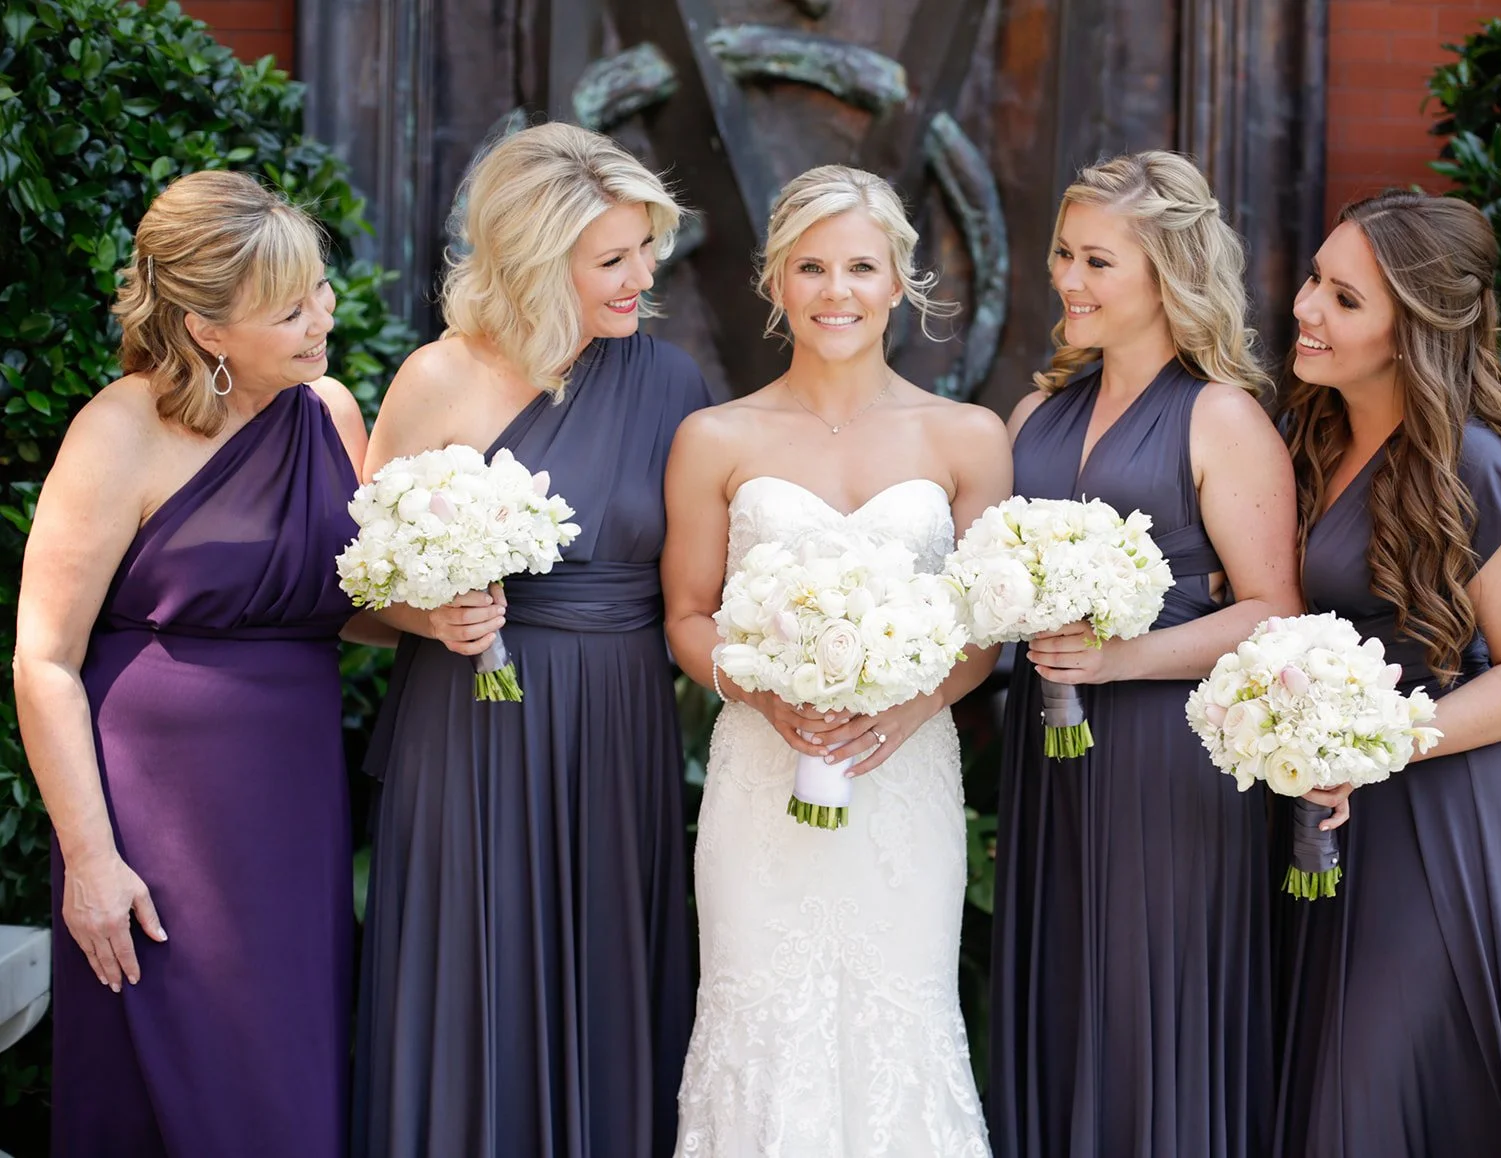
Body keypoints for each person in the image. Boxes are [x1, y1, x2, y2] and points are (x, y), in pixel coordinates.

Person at [352, 123, 710, 1158]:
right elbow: (353, 589)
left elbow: (700, 587)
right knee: (470, 978)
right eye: (612, 259)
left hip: (614, 734)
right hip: (463, 730)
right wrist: (426, 615)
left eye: (647, 246)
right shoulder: (437, 380)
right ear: (532, 260)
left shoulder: (672, 382)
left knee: (605, 975)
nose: (642, 274)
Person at [13, 170, 373, 1158]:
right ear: (209, 328)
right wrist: (90, 861)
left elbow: (344, 609)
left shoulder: (330, 412)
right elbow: (43, 656)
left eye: (321, 293)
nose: (323, 320)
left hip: (292, 809)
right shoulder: (119, 430)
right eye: (290, 308)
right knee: (169, 1086)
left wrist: (442, 611)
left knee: (290, 1085)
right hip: (155, 818)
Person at [662, 163, 1010, 1155]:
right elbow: (688, 615)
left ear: (899, 281)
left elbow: (985, 632)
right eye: (811, 268)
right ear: (776, 283)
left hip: (903, 781)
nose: (836, 292)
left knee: (901, 1012)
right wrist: (765, 695)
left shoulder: (968, 438)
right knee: (759, 1017)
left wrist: (906, 710)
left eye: (861, 267)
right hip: (762, 781)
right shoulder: (715, 438)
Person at [986, 151, 1301, 1158]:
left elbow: (1270, 609)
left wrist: (1118, 660)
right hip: (1046, 759)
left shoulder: (1220, 416)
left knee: (1141, 1004)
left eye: (1095, 262)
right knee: (1059, 990)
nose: (1067, 281)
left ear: (1165, 272)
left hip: (1169, 769)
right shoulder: (1035, 416)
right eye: (1062, 255)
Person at [1272, 190, 1501, 1157]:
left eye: (1344, 298)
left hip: (1457, 812)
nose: (1305, 308)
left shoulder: (1471, 465)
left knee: (1388, 1080)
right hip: (1350, 807)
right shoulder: (1318, 437)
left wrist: (1373, 745)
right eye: (1315, 279)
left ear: (1412, 330)